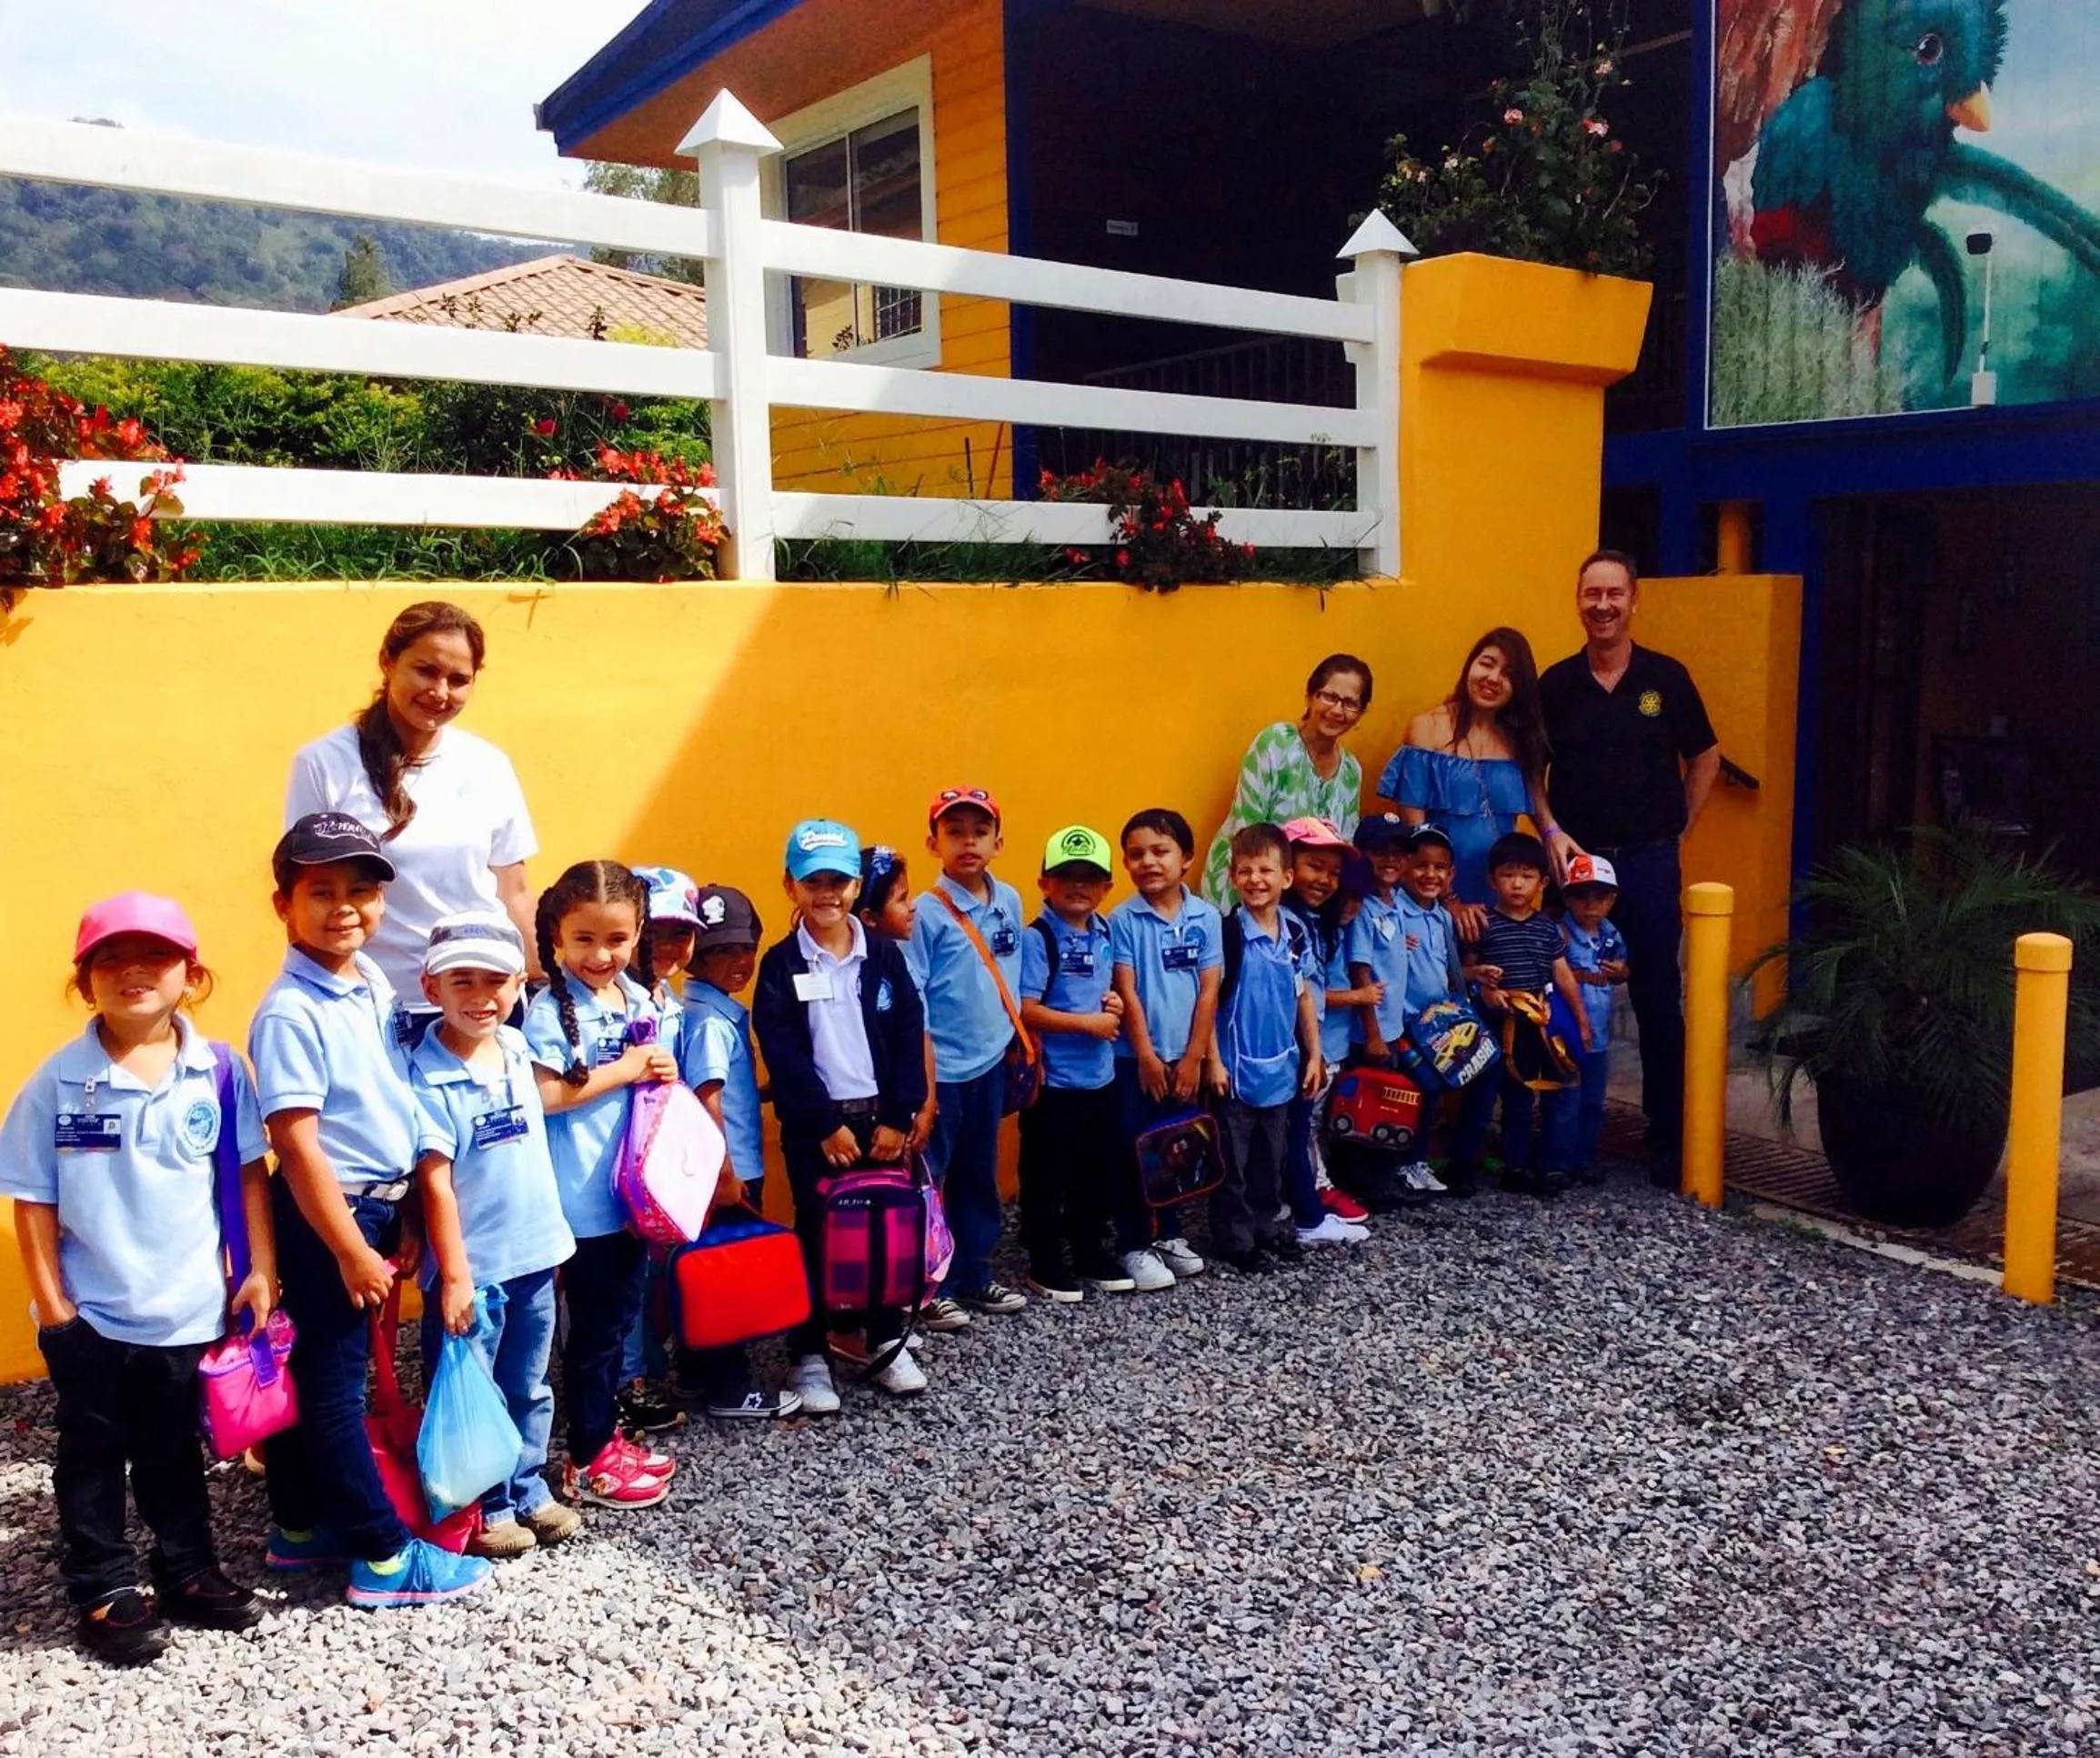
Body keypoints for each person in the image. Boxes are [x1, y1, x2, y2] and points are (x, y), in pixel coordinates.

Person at [0, 894, 273, 1663]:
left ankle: (186, 1566)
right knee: (91, 1452)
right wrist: (56, 1308)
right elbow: (32, 1196)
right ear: (84, 982)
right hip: (91, 1316)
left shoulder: (217, 1072)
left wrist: (257, 1272)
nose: (133, 971)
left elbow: (250, 1176)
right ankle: (103, 1583)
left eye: (155, 956)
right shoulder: (58, 1082)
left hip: (188, 1310)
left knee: (172, 1449)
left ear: (192, 973)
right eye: (110, 959)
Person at [249, 812, 490, 1608]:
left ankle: (298, 1524)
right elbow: (300, 1142)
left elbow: (393, 1096)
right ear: (284, 902)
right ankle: (383, 1557)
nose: (344, 907)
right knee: (332, 1383)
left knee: (316, 1369)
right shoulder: (291, 1010)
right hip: (332, 1218)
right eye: (321, 891)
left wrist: (412, 1212)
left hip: (376, 1209)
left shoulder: (367, 982)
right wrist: (353, 1248)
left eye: (360, 889)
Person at [1538, 550, 1720, 1177]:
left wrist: (1679, 828)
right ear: (1577, 600)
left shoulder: (1666, 678)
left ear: (1633, 599)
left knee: (1654, 995)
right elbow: (1530, 770)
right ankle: (1556, 1130)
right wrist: (1551, 830)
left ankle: (1666, 1134)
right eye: (1591, 594)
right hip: (1576, 865)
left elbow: (1705, 757)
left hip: (1644, 861)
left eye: (1614, 593)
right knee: (1555, 987)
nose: (1603, 605)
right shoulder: (1557, 684)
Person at [407, 911, 579, 1558]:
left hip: (535, 1252)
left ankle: (527, 1483)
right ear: (432, 988)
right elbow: (436, 1180)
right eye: (463, 982)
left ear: (518, 988)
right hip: (474, 1269)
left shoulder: (514, 1048)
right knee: (468, 1387)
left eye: (496, 982)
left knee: (529, 1381)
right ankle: (482, 1502)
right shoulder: (425, 1075)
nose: (481, 997)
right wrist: (453, 1275)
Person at [752, 819, 931, 1411]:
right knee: (818, 1231)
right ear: (790, 885)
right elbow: (782, 1048)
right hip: (819, 1130)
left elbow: (908, 1030)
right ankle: (809, 1351)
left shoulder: (881, 953)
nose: (825, 893)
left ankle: (882, 1334)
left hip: (881, 1121)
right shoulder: (781, 965)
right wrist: (821, 1122)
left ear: (855, 885)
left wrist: (900, 1115)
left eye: (837, 881)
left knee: (886, 1229)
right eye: (813, 882)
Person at [285, 601, 539, 1010]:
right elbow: (305, 898)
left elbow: (515, 890)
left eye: (458, 679)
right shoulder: (323, 764)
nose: (440, 692)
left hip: (484, 1005)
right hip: (381, 1004)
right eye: (426, 671)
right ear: (388, 661)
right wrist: (317, 1002)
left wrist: (545, 985)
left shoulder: (489, 764)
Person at [525, 860, 680, 1511]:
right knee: (591, 1336)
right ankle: (587, 1455)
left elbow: (652, 1080)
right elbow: (544, 1094)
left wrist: (662, 1068)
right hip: (583, 1201)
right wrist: (626, 1068)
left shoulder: (641, 999)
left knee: (617, 1324)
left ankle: (601, 1435)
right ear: (557, 937)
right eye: (583, 939)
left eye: (615, 939)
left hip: (633, 1196)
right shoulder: (546, 1009)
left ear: (638, 931)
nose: (600, 954)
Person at [676, 883, 803, 1419]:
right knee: (727, 1277)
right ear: (695, 958)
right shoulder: (708, 1020)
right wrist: (725, 1172)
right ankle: (730, 1388)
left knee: (706, 1273)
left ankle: (695, 1372)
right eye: (717, 952)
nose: (736, 961)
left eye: (742, 948)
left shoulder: (710, 1007)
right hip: (731, 1169)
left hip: (720, 1167)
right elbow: (709, 1097)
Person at [908, 788, 1030, 1317]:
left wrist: (1016, 1043)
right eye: (954, 832)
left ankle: (976, 1273)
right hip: (945, 1072)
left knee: (980, 1172)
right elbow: (917, 1003)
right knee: (930, 1180)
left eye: (979, 832)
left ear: (998, 842)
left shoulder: (1010, 901)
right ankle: (928, 1287)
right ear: (933, 843)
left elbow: (1013, 975)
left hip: (991, 1062)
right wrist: (927, 1088)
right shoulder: (924, 915)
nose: (968, 842)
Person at [1016, 825, 1140, 1299]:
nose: (1079, 887)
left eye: (1090, 877)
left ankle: (1090, 1247)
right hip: (1054, 1084)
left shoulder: (1104, 930)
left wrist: (1113, 1007)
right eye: (1067, 875)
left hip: (1100, 1078)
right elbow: (1026, 1008)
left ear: (1107, 886)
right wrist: (1087, 1025)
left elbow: (1106, 991)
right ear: (1045, 882)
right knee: (1048, 1174)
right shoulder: (1038, 937)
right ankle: (1045, 1258)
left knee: (1096, 1170)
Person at [1379, 628, 1554, 939]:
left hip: (1500, 898)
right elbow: (1416, 833)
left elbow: (1541, 812)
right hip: (1434, 892)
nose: (1493, 677)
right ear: (1470, 664)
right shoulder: (1427, 729)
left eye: (1508, 673)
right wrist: (1450, 901)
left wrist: (1556, 837)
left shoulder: (1520, 741)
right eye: (1486, 663)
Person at [1108, 808, 1221, 1286]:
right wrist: (1148, 1055)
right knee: (1135, 1149)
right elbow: (1127, 990)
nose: (1148, 862)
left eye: (1160, 851)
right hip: (1138, 1061)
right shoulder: (1122, 919)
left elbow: (1209, 989)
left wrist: (1194, 1056)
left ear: (1187, 858)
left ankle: (1169, 1233)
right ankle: (1133, 1242)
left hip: (1185, 1059)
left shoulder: (1207, 917)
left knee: (1177, 1148)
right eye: (1136, 854)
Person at [1203, 823, 1323, 1273]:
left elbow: (1303, 995)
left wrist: (1313, 1054)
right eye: (1246, 871)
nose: (1256, 880)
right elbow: (1209, 1002)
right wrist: (1212, 1061)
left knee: (1270, 1157)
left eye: (1266, 870)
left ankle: (1265, 1226)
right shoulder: (1227, 934)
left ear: (1286, 878)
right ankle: (1235, 1240)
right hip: (1233, 1071)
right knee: (1231, 1162)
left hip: (1281, 1069)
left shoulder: (1294, 933)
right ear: (1233, 877)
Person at [616, 866, 708, 1432]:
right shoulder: (611, 1001)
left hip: (656, 1162)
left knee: (648, 1269)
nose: (667, 947)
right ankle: (624, 1384)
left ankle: (644, 1368)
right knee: (618, 1277)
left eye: (681, 934)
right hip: (614, 1163)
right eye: (655, 933)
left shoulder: (669, 1003)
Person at [1472, 833, 1593, 1198]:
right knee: (1513, 1098)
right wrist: (1486, 991)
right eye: (1509, 875)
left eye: (1527, 875)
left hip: (1540, 1023)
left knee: (1551, 1089)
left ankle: (1554, 1166)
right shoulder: (1484, 924)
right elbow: (1468, 970)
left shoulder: (1547, 929)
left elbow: (1563, 974)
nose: (1517, 883)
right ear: (1493, 880)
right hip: (1499, 1021)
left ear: (1542, 883)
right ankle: (1515, 1165)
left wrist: (1581, 1020)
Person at [1200, 654, 1375, 904]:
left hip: (1304, 901)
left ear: (1361, 713)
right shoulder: (1276, 743)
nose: (1337, 710)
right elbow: (1248, 826)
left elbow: (1343, 843)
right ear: (1310, 696)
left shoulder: (1351, 771)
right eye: (1329, 696)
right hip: (1245, 886)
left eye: (1350, 703)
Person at [1279, 818, 1374, 1244]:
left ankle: (1298, 1210)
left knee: (1296, 1128)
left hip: (1304, 1046)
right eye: (1314, 866)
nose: (1325, 880)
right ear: (1286, 866)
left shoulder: (1312, 922)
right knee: (1292, 1130)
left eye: (1333, 873)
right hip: (1283, 1048)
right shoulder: (1283, 922)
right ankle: (1306, 1217)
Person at [1341, 813, 1444, 1209]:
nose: (1390, 861)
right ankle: (1364, 1186)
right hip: (1368, 1033)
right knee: (1364, 1109)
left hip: (1392, 1027)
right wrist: (1371, 1034)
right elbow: (1360, 970)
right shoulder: (1364, 906)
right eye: (1380, 852)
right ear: (1362, 855)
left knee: (1387, 1106)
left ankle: (1381, 1180)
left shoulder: (1394, 904)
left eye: (1399, 853)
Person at [1559, 854, 1630, 1180]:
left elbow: (1622, 971)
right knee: (1565, 1099)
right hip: (1568, 1032)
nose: (1591, 904)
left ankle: (1584, 1159)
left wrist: (1620, 972)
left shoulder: (1611, 934)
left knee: (1592, 1101)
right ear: (1567, 898)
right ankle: (1558, 1161)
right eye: (1581, 895)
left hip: (1599, 1035)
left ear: (1612, 899)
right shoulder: (1560, 933)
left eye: (1600, 896)